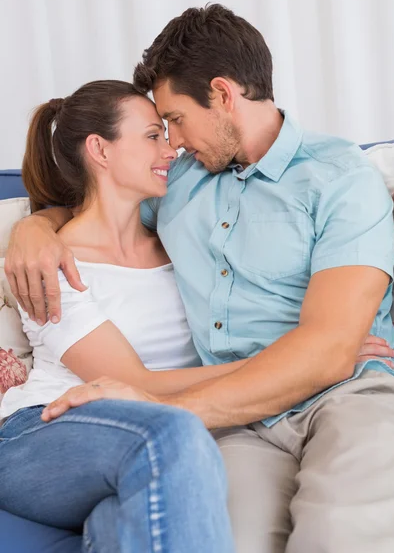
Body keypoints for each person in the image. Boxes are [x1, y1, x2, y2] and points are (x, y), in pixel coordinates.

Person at [5, 4, 394, 553]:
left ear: (221, 94)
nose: (174, 142)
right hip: (237, 422)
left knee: (337, 536)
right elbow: (96, 214)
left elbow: (330, 353)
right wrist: (36, 228)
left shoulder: (337, 178)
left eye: (175, 120)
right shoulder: (181, 181)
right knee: (217, 538)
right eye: (159, 131)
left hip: (345, 392)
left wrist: (163, 412)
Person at [0, 80, 237, 553]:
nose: (171, 148)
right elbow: (130, 380)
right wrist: (296, 363)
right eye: (152, 135)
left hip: (139, 446)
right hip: (41, 431)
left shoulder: (179, 242)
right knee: (172, 432)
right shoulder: (51, 263)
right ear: (100, 150)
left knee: (123, 522)